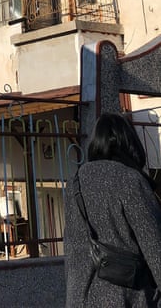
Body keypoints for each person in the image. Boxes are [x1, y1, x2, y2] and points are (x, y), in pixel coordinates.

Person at [64, 112, 161, 307]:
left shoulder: (75, 183)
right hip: (125, 298)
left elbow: (71, 246)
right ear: (130, 142)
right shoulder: (130, 180)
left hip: (79, 298)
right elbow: (155, 248)